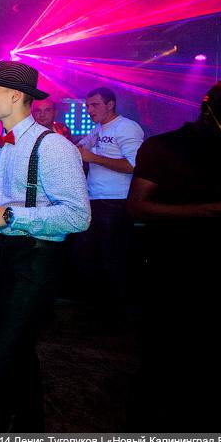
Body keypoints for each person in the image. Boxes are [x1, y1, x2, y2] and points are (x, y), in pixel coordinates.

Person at [0, 60, 90, 433]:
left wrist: (8, 216)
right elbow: (7, 202)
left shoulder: (53, 147)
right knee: (19, 351)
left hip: (36, 261)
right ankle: (31, 427)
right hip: (3, 256)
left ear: (15, 96)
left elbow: (78, 216)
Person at [126, 78, 221, 430]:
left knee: (210, 350)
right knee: (163, 351)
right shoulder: (164, 146)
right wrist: (213, 209)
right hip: (170, 264)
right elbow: (137, 206)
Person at [73, 87, 144, 324]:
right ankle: (98, 311)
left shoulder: (127, 127)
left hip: (116, 201)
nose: (89, 110)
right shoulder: (97, 130)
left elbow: (134, 166)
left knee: (111, 260)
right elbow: (78, 149)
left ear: (110, 104)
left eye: (94, 105)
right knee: (90, 258)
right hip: (95, 199)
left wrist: (93, 158)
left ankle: (112, 317)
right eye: (87, 105)